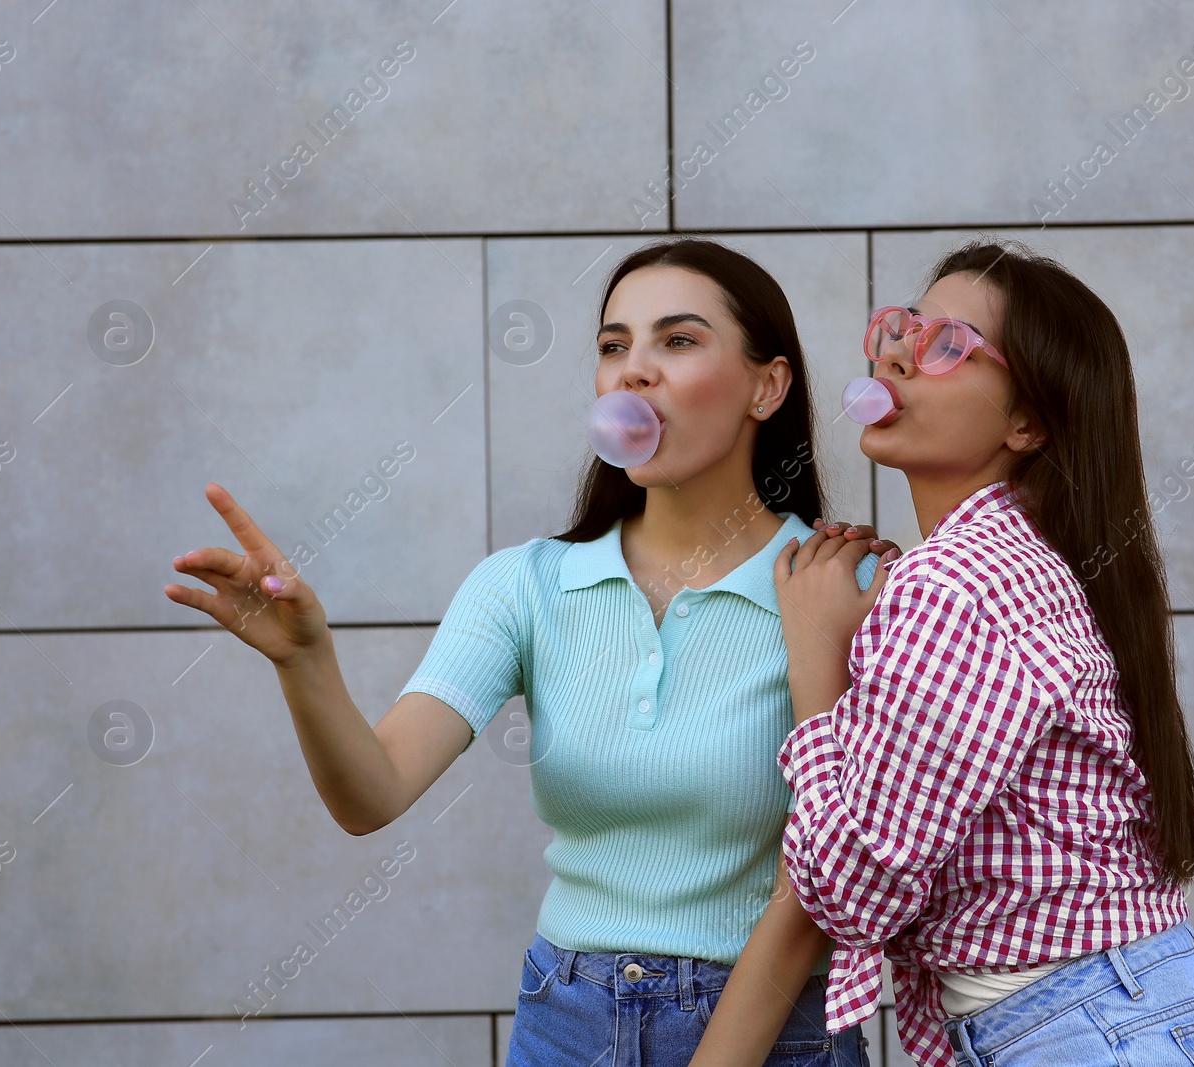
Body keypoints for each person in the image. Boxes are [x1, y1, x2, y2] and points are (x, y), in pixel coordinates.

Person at [162, 237, 895, 1065]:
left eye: (678, 341)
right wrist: (304, 661)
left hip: (773, 1034)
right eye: (614, 346)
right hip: (565, 1023)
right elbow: (372, 793)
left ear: (768, 385)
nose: (633, 371)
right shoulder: (525, 585)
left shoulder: (849, 590)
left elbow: (845, 866)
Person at [764, 239, 1194, 1065]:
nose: (897, 349)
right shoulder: (1024, 560)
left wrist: (816, 659)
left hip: (1094, 1031)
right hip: (1133, 1015)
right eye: (903, 325)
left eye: (947, 344)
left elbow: (852, 894)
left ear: (1028, 420)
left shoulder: (958, 584)